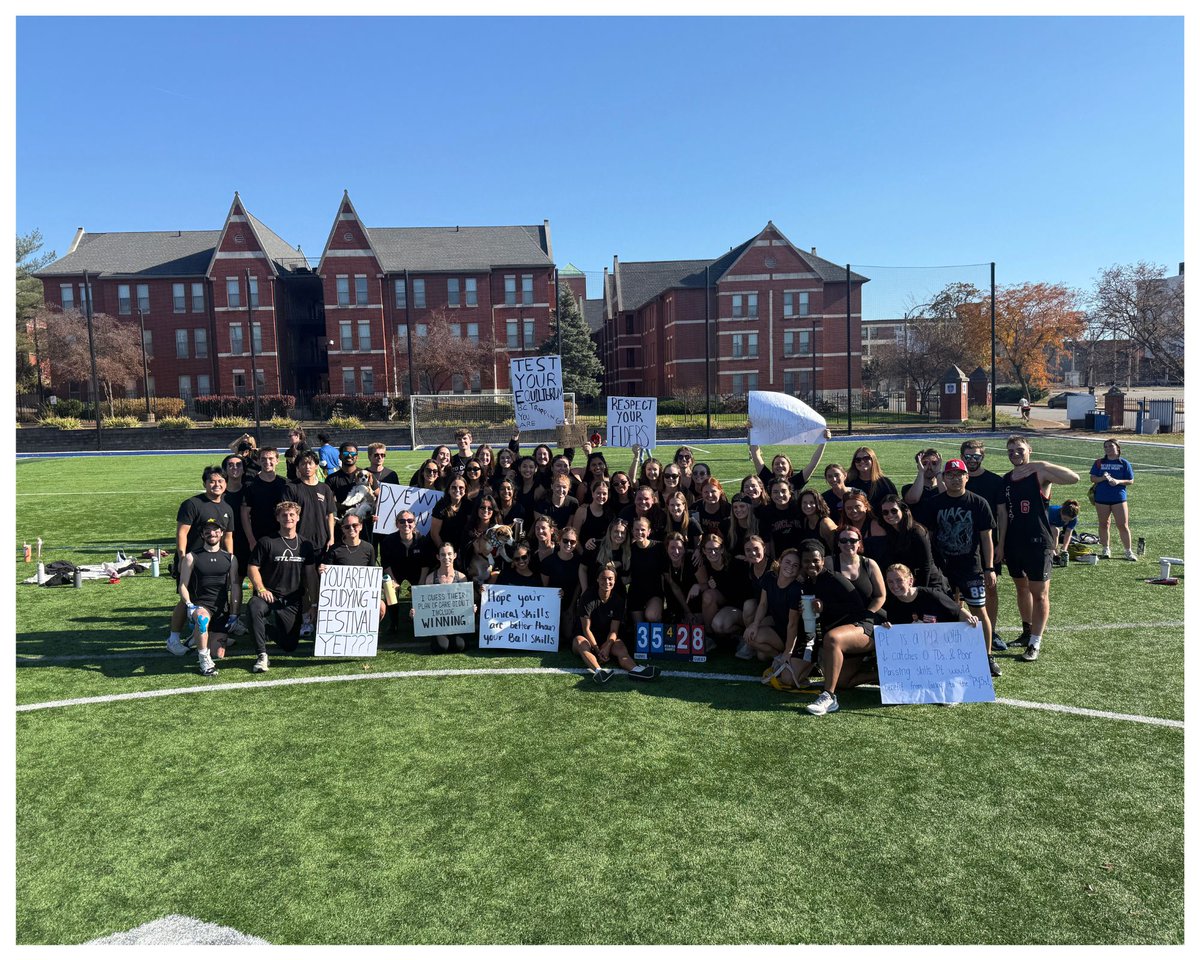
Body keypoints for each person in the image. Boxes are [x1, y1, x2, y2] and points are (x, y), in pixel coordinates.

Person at [997, 436, 1080, 662]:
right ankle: (1026, 632)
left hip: (1038, 542)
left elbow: (1074, 478)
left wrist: (1042, 464)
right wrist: (1001, 544)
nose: (1015, 454)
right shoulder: (1006, 479)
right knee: (1021, 588)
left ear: (1029, 450)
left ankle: (1035, 642)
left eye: (1020, 449)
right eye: (1011, 450)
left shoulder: (1040, 473)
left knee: (1040, 594)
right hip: (1014, 543)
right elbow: (1003, 515)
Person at [921, 458, 1001, 677]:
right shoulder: (935, 503)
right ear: (943, 478)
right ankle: (950, 654)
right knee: (946, 610)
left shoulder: (978, 503)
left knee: (979, 610)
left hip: (970, 567)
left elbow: (986, 538)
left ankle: (987, 656)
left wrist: (989, 568)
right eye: (950, 475)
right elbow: (928, 536)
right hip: (943, 567)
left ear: (967, 477)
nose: (955, 479)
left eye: (959, 475)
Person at [167, 466, 235, 654]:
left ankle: (204, 635)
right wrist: (182, 558)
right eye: (212, 481)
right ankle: (173, 639)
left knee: (214, 598)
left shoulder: (227, 508)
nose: (216, 484)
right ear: (205, 483)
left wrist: (230, 560)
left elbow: (228, 537)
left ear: (226, 483)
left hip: (215, 563)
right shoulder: (192, 504)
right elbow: (182, 533)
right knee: (186, 599)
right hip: (193, 561)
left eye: (220, 481)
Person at [246, 501, 317, 673]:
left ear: (298, 517)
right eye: (284, 515)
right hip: (269, 596)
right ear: (277, 518)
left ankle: (263, 627)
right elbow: (252, 567)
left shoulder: (306, 545)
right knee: (254, 606)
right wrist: (261, 589)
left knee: (289, 646)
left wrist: (314, 604)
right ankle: (262, 655)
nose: (288, 518)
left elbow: (311, 575)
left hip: (292, 600)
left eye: (292, 514)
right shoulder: (267, 542)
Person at [571, 563, 660, 684]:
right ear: (597, 579)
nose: (607, 582)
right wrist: (597, 650)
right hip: (587, 636)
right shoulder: (587, 597)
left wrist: (607, 646)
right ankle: (599, 671)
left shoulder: (618, 600)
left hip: (606, 637)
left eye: (610, 579)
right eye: (603, 578)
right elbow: (586, 629)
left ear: (615, 580)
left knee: (620, 646)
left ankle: (637, 670)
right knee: (580, 643)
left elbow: (614, 631)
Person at [175, 519, 240, 675]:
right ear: (202, 534)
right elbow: (182, 585)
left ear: (222, 533)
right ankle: (204, 660)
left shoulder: (230, 558)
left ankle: (196, 637)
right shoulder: (192, 557)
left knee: (218, 654)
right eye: (207, 530)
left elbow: (235, 586)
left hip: (221, 609)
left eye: (216, 530)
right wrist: (190, 605)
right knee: (202, 620)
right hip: (201, 605)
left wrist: (234, 614)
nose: (212, 533)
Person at [961, 439, 1008, 650]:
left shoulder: (994, 481)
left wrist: (1001, 544)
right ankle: (963, 630)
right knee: (958, 591)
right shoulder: (955, 478)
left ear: (983, 457)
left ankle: (991, 631)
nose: (972, 460)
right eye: (968, 456)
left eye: (976, 456)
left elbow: (1002, 515)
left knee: (990, 588)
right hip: (960, 546)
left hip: (988, 543)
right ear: (962, 456)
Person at [739, 548, 804, 663]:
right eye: (787, 562)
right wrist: (755, 624)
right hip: (778, 626)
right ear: (780, 561)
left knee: (754, 639)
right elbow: (763, 604)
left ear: (799, 570)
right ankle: (778, 656)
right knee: (760, 654)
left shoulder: (796, 590)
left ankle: (785, 656)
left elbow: (792, 624)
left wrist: (788, 650)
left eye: (795, 565)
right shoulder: (770, 577)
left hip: (792, 635)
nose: (790, 567)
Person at [319, 513, 385, 622]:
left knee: (381, 606)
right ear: (342, 529)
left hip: (362, 593)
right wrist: (322, 570)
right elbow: (327, 575)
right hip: (340, 595)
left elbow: (371, 574)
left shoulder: (368, 548)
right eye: (347, 527)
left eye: (355, 525)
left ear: (361, 526)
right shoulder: (334, 549)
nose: (351, 529)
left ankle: (368, 627)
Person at [379, 509, 434, 635]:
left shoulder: (422, 540)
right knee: (389, 589)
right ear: (397, 524)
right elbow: (386, 564)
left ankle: (420, 622)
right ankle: (393, 623)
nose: (406, 524)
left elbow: (425, 564)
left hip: (416, 572)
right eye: (402, 521)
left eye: (410, 521)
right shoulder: (388, 541)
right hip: (395, 571)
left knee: (422, 589)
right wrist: (393, 581)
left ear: (414, 523)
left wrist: (421, 583)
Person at [418, 543, 474, 653]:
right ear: (438, 557)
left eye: (449, 554)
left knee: (460, 646)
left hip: (457, 622)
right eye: (443, 555)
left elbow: (465, 602)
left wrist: (471, 608)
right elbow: (426, 604)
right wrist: (417, 612)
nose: (446, 557)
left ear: (455, 555)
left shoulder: (462, 578)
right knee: (441, 647)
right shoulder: (430, 578)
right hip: (438, 623)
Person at [1090, 438, 1137, 560]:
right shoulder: (1099, 462)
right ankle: (1106, 549)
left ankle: (1128, 551)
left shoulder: (1124, 463)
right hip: (1101, 497)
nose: (1108, 449)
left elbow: (1130, 480)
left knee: (1123, 525)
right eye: (1105, 447)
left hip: (1119, 498)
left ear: (1118, 448)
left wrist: (1117, 481)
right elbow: (1093, 478)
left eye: (1110, 446)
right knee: (1104, 524)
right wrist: (1103, 478)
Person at [748, 428, 831, 493]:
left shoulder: (796, 481)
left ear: (790, 467)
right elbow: (756, 456)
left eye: (783, 463)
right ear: (772, 468)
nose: (780, 465)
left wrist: (823, 441)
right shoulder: (767, 478)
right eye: (776, 464)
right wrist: (752, 430)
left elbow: (813, 464)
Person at [240, 447, 287, 554]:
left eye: (271, 458)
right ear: (258, 461)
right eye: (263, 459)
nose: (267, 462)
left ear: (277, 460)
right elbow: (244, 514)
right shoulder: (250, 485)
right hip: (259, 536)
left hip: (281, 536)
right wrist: (251, 540)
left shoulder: (285, 484)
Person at [626, 516, 667, 624]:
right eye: (636, 529)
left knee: (652, 616)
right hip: (636, 593)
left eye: (643, 529)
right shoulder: (629, 549)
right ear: (632, 531)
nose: (639, 532)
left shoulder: (659, 547)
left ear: (649, 532)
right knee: (639, 626)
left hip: (654, 592)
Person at [845, 446, 898, 514]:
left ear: (873, 460)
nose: (862, 461)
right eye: (858, 460)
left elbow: (895, 505)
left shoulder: (885, 483)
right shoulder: (849, 483)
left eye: (866, 458)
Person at [901, 447, 945, 516]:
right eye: (925, 463)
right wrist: (921, 471)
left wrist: (938, 473)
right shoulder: (908, 488)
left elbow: (949, 498)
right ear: (918, 466)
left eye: (934, 463)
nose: (929, 467)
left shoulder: (944, 487)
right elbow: (913, 499)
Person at [796, 489, 837, 554]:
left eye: (812, 502)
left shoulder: (825, 524)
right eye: (804, 502)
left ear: (818, 503)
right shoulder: (806, 520)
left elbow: (835, 549)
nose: (808, 506)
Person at [1048, 499, 1081, 566]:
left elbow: (1068, 533)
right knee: (1055, 530)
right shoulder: (1051, 512)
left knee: (1055, 531)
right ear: (1061, 512)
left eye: (1069, 520)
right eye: (1065, 519)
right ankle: (1053, 554)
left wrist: (1064, 549)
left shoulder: (1074, 519)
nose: (1067, 522)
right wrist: (1053, 550)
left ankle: (1055, 555)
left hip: (1051, 526)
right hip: (1037, 523)